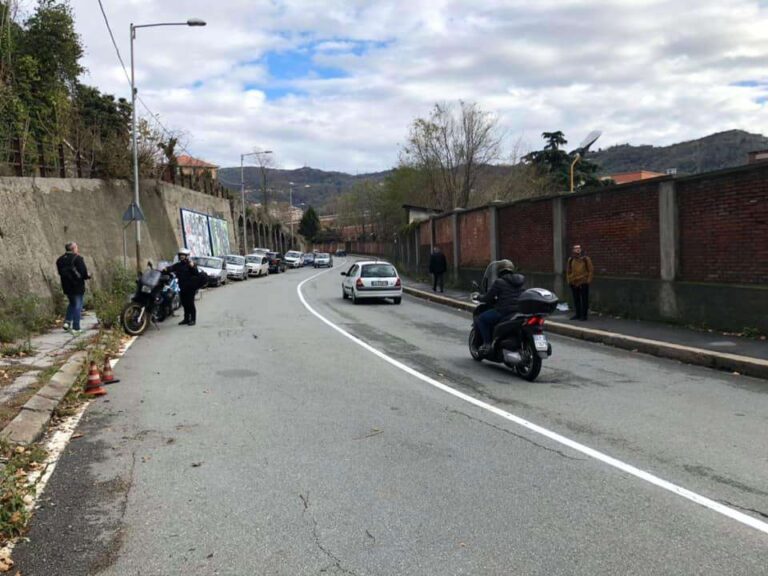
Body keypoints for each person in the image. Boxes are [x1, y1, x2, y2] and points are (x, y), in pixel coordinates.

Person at [475, 260, 526, 355]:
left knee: (481, 319)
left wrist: (479, 297)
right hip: (519, 311)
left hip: (504, 311)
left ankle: (487, 344)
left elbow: (488, 297)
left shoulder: (499, 282)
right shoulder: (521, 280)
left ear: (500, 271)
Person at [56, 242, 91, 335]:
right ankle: (76, 327)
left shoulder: (60, 260)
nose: (77, 249)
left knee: (72, 303)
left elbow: (60, 273)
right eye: (76, 247)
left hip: (66, 286)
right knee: (78, 306)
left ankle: (67, 323)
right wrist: (88, 276)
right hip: (77, 286)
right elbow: (83, 273)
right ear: (73, 248)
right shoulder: (78, 258)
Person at [167, 248, 203, 326]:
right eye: (180, 255)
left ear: (187, 256)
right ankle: (186, 319)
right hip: (182, 287)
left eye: (183, 255)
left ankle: (193, 319)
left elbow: (196, 273)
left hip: (190, 288)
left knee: (190, 304)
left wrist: (192, 266)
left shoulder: (190, 264)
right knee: (184, 303)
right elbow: (171, 268)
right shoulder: (178, 265)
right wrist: (164, 269)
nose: (181, 257)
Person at [567, 244, 594, 321]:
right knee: (576, 299)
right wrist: (569, 280)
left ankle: (584, 315)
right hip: (574, 282)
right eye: (575, 249)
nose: (577, 251)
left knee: (584, 300)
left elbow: (591, 270)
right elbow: (568, 271)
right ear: (573, 250)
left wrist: (588, 281)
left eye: (578, 249)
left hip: (583, 282)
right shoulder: (571, 259)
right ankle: (577, 314)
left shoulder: (586, 259)